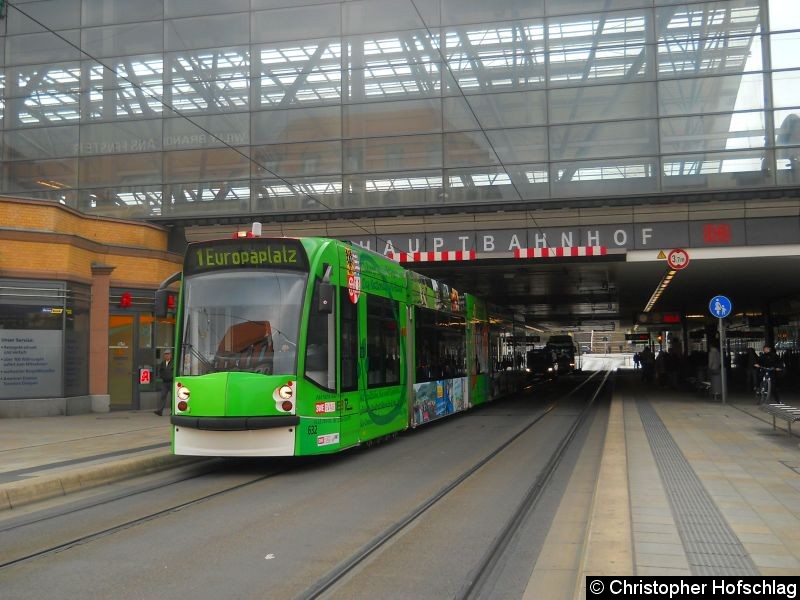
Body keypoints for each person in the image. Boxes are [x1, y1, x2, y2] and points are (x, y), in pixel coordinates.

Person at [154, 350, 174, 416]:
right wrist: (161, 376)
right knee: (162, 396)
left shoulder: (174, 362)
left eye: (168, 354)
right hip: (165, 382)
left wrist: (172, 377)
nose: (166, 355)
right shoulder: (163, 363)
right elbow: (160, 371)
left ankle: (173, 411)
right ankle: (160, 411)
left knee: (173, 397)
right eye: (165, 354)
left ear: (171, 355)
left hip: (172, 382)